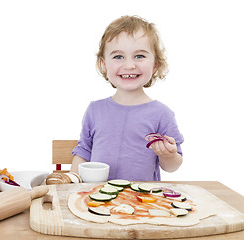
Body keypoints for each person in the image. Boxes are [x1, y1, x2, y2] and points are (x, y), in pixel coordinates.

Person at [69, 15, 184, 181]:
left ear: (155, 65)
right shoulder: (95, 110)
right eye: (118, 57)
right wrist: (71, 183)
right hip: (95, 199)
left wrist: (168, 154)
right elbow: (83, 152)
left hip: (141, 202)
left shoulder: (162, 113)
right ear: (103, 64)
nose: (129, 65)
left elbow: (172, 166)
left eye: (139, 56)